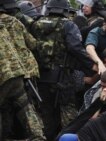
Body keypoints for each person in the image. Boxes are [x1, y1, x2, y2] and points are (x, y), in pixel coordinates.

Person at [29, 0, 97, 140]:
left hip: (40, 77)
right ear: (65, 10)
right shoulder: (68, 25)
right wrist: (91, 66)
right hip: (62, 78)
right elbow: (75, 48)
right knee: (69, 115)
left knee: (45, 113)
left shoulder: (36, 24)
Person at [0, 5, 46, 141]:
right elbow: (33, 43)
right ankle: (38, 136)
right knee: (24, 106)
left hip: (3, 75)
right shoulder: (11, 22)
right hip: (18, 70)